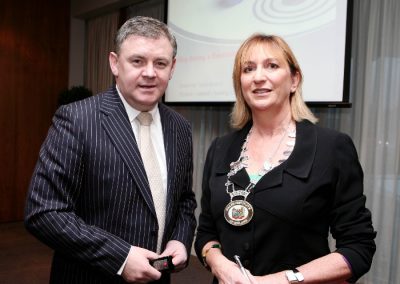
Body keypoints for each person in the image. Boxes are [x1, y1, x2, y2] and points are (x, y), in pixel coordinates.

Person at [25, 16, 197, 284]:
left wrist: (180, 239)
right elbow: (44, 212)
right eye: (137, 61)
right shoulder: (77, 119)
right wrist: (120, 257)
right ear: (115, 63)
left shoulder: (181, 128)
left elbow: (185, 200)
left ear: (172, 68)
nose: (150, 73)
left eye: (160, 63)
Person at [194, 34, 376, 284]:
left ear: (294, 79)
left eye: (272, 65)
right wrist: (219, 263)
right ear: (241, 84)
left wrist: (282, 280)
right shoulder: (221, 149)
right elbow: (206, 232)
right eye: (248, 69)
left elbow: (358, 248)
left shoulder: (331, 148)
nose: (258, 77)